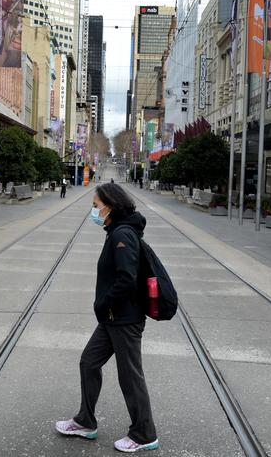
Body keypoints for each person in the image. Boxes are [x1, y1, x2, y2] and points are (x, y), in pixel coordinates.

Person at [55, 183, 159, 453]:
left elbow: (126, 279)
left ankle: (144, 434)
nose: (93, 210)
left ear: (110, 206)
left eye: (95, 205)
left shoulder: (122, 235)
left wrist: (103, 303)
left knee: (130, 377)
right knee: (89, 362)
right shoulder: (115, 232)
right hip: (112, 318)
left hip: (124, 319)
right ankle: (85, 421)